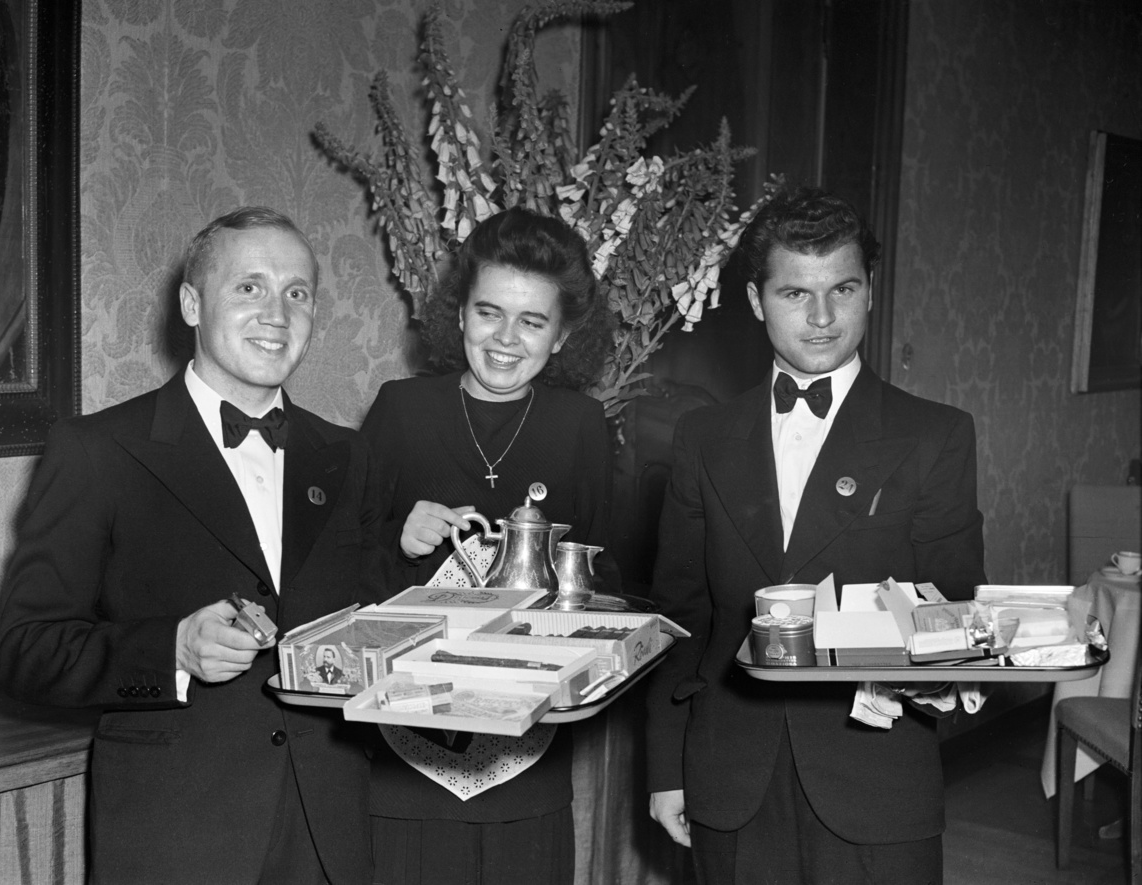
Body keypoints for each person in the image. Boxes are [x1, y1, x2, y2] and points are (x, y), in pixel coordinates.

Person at [0, 207, 388, 884]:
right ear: (191, 303)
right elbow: (22, 648)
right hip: (176, 837)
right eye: (249, 287)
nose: (277, 313)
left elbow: (378, 623)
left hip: (330, 834)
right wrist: (169, 650)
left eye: (297, 293)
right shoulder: (96, 452)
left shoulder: (349, 455)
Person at [645, 188, 987, 884]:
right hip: (731, 772)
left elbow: (954, 605)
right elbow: (679, 615)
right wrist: (665, 767)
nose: (823, 316)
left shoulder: (936, 434)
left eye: (843, 289)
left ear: (869, 291)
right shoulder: (702, 438)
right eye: (796, 293)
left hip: (876, 774)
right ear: (754, 299)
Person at [360, 206, 616, 885]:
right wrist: (400, 538)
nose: (506, 338)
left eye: (532, 321)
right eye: (488, 312)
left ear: (560, 337)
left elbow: (613, 575)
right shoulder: (399, 410)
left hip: (528, 751)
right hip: (403, 752)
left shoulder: (582, 426)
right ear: (461, 314)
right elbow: (335, 566)